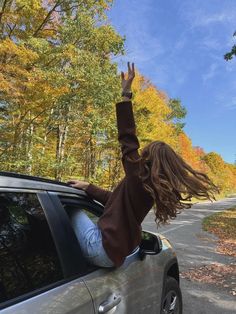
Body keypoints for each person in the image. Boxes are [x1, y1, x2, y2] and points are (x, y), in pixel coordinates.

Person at [67, 62, 218, 268]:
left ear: (149, 156)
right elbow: (114, 202)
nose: (141, 153)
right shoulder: (148, 187)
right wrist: (89, 188)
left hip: (100, 248)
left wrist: (126, 95)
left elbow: (127, 139)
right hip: (115, 255)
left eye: (145, 151)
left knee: (67, 208)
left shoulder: (138, 176)